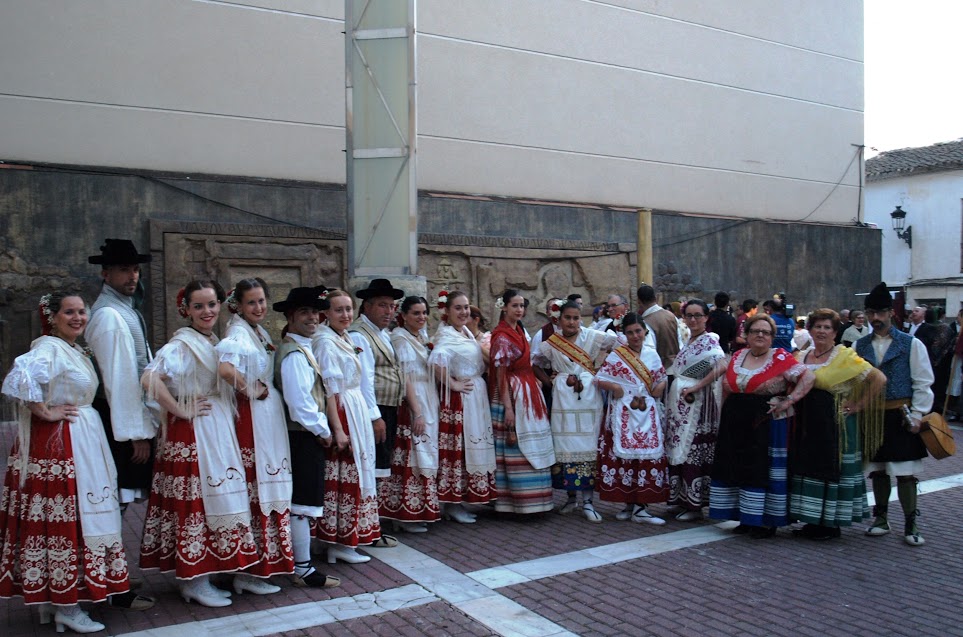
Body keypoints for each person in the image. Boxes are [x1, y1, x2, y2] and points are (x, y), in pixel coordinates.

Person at [1, 292, 130, 633]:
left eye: (81, 311)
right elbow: (20, 377)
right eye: (68, 312)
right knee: (66, 521)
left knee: (81, 516)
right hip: (61, 445)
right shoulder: (48, 346)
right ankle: (65, 605)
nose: (77, 318)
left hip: (81, 439)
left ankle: (59, 602)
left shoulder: (72, 348)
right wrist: (45, 411)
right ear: (52, 316)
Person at [141, 281, 257, 607]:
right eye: (199, 306)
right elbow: (150, 379)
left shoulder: (213, 341)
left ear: (220, 305)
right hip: (194, 432)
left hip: (215, 428)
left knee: (216, 499)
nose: (206, 312)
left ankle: (205, 572)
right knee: (196, 504)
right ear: (187, 310)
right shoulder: (182, 344)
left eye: (211, 305)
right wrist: (180, 409)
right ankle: (193, 579)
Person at [84, 239, 156, 611]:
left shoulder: (123, 309)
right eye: (125, 270)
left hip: (123, 421)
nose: (132, 276)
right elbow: (120, 379)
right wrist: (136, 434)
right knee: (113, 504)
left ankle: (112, 577)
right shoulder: (110, 315)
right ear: (106, 273)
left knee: (118, 505)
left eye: (136, 269)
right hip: (117, 424)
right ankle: (110, 583)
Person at [216, 279, 294, 592]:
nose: (259, 308)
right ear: (237, 305)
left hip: (265, 414)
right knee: (256, 485)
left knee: (268, 482)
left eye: (261, 301)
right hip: (252, 417)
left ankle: (261, 563)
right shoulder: (237, 332)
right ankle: (247, 571)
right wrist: (249, 389)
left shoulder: (256, 331)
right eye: (252, 303)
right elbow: (225, 369)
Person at [709, 313, 815, 538]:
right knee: (737, 466)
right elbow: (727, 387)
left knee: (761, 469)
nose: (760, 335)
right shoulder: (739, 355)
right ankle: (746, 518)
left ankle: (766, 521)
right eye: (755, 331)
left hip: (764, 423)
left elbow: (807, 378)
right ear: (746, 334)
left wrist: (789, 400)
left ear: (772, 337)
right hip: (735, 421)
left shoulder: (780, 357)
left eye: (766, 332)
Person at [789, 308, 886, 540]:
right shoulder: (802, 355)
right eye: (817, 327)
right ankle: (812, 521)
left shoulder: (844, 356)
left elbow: (879, 379)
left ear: (835, 332)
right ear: (810, 329)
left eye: (827, 327)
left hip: (836, 424)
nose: (822, 331)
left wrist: (858, 405)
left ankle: (830, 524)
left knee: (832, 469)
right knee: (808, 467)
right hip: (807, 422)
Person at [314, 289, 393, 562]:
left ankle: (348, 539)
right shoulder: (324, 341)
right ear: (326, 313)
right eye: (339, 310)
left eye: (348, 309)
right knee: (344, 473)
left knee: (359, 471)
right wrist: (338, 427)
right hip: (343, 408)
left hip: (355, 406)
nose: (345, 315)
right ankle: (337, 542)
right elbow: (329, 387)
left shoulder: (344, 337)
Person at [273, 286, 343, 587]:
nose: (312, 317)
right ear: (290, 317)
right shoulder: (293, 354)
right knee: (302, 501)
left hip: (307, 433)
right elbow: (299, 403)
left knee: (307, 499)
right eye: (304, 312)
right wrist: (323, 429)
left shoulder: (304, 348)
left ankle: (301, 563)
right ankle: (302, 568)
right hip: (302, 435)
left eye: (315, 312)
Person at [854, 283, 934, 546]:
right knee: (878, 470)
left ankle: (911, 522)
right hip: (873, 416)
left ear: (891, 313)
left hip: (902, 415)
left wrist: (919, 414)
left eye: (880, 313)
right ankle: (881, 518)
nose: (875, 318)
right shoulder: (859, 345)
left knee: (906, 471)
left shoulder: (912, 344)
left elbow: (923, 382)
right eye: (870, 313)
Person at [536, 301, 618, 522]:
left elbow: (619, 344)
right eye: (568, 318)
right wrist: (549, 382)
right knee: (564, 444)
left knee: (588, 444)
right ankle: (571, 498)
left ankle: (588, 502)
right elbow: (535, 361)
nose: (572, 322)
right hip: (563, 397)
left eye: (576, 318)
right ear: (559, 319)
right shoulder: (552, 343)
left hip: (588, 396)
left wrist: (602, 371)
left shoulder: (592, 336)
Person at [595, 313, 670, 524]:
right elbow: (599, 378)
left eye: (638, 331)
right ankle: (630, 505)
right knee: (626, 458)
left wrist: (660, 387)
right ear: (624, 334)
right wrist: (615, 387)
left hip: (647, 413)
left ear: (645, 331)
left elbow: (661, 378)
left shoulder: (651, 354)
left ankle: (641, 506)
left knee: (646, 456)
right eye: (630, 332)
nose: (635, 336)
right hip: (624, 413)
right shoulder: (618, 355)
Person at [430, 291, 497, 522]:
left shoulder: (465, 332)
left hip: (474, 394)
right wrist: (452, 383)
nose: (463, 312)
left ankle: (460, 501)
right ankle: (452, 503)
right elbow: (436, 361)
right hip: (461, 399)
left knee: (472, 448)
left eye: (466, 307)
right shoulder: (446, 335)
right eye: (458, 308)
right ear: (446, 311)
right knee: (458, 451)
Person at [489, 289, 556, 514]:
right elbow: (500, 376)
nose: (519, 310)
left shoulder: (519, 330)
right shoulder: (501, 336)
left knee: (535, 442)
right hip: (512, 394)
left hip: (528, 391)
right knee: (515, 446)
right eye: (514, 305)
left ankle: (539, 500)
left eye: (521, 306)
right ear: (504, 307)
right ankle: (516, 502)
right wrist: (509, 409)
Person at [381, 296, 442, 532]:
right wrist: (416, 411)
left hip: (428, 395)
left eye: (424, 312)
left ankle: (423, 509)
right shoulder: (400, 338)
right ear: (403, 315)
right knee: (413, 453)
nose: (422, 317)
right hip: (413, 398)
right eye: (416, 313)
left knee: (427, 452)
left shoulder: (422, 337)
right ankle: (406, 513)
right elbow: (404, 375)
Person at [665, 299, 727, 521]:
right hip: (680, 403)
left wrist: (698, 385)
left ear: (706, 318)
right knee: (677, 448)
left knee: (693, 450)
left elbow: (721, 365)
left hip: (697, 405)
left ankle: (694, 505)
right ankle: (679, 499)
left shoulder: (709, 340)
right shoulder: (689, 339)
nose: (693, 320)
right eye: (689, 315)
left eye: (697, 315)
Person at [348, 279, 406, 507]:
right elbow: (364, 379)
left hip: (388, 407)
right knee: (372, 463)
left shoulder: (382, 334)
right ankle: (368, 520)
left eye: (392, 306)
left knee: (382, 462)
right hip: (376, 408)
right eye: (383, 305)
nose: (389, 311)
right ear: (367, 306)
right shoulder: (359, 335)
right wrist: (375, 416)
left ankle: (375, 519)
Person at [637, 285, 680, 371]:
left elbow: (649, 351)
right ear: (655, 298)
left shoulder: (646, 323)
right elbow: (680, 341)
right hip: (676, 366)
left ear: (639, 301)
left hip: (660, 370)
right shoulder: (671, 316)